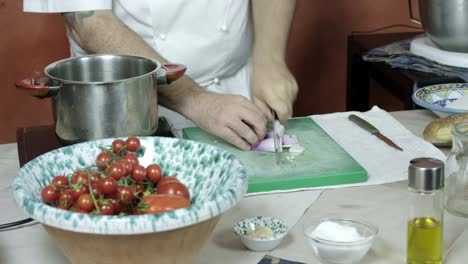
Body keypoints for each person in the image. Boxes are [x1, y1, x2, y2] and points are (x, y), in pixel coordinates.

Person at [23, 1, 298, 151]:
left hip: (236, 94)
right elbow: (90, 22)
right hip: (128, 111)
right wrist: (196, 100)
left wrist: (269, 60)